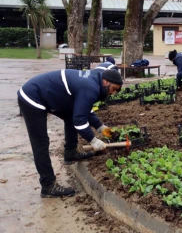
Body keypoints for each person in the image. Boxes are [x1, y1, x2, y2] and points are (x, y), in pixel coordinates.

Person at [17, 69, 123, 198]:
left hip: (50, 94)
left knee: (71, 114)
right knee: (41, 143)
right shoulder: (91, 88)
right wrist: (93, 140)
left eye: (117, 91)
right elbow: (79, 121)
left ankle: (71, 153)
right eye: (113, 89)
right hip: (33, 97)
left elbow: (84, 110)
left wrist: (101, 128)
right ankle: (48, 186)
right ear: (106, 82)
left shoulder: (95, 80)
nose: (113, 93)